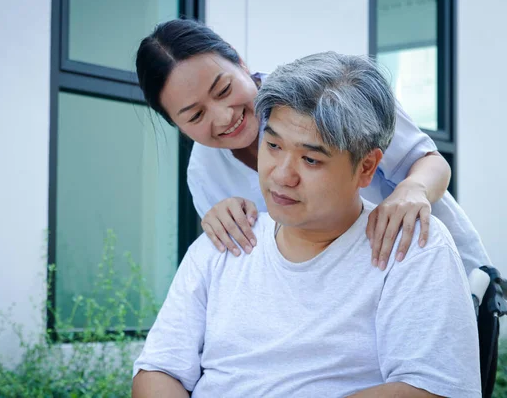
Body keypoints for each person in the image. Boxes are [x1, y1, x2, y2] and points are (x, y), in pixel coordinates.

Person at [132, 52, 480, 397]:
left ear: (366, 167)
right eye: (271, 145)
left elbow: (433, 386)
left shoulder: (413, 245)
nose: (281, 176)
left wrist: (413, 188)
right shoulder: (217, 245)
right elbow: (158, 370)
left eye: (311, 159)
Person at [135, 19, 491, 274]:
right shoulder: (204, 173)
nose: (224, 116)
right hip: (350, 298)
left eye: (224, 89)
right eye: (195, 115)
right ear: (175, 124)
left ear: (241, 64)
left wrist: (412, 189)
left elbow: (430, 162)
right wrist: (218, 222)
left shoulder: (327, 90)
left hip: (433, 266)